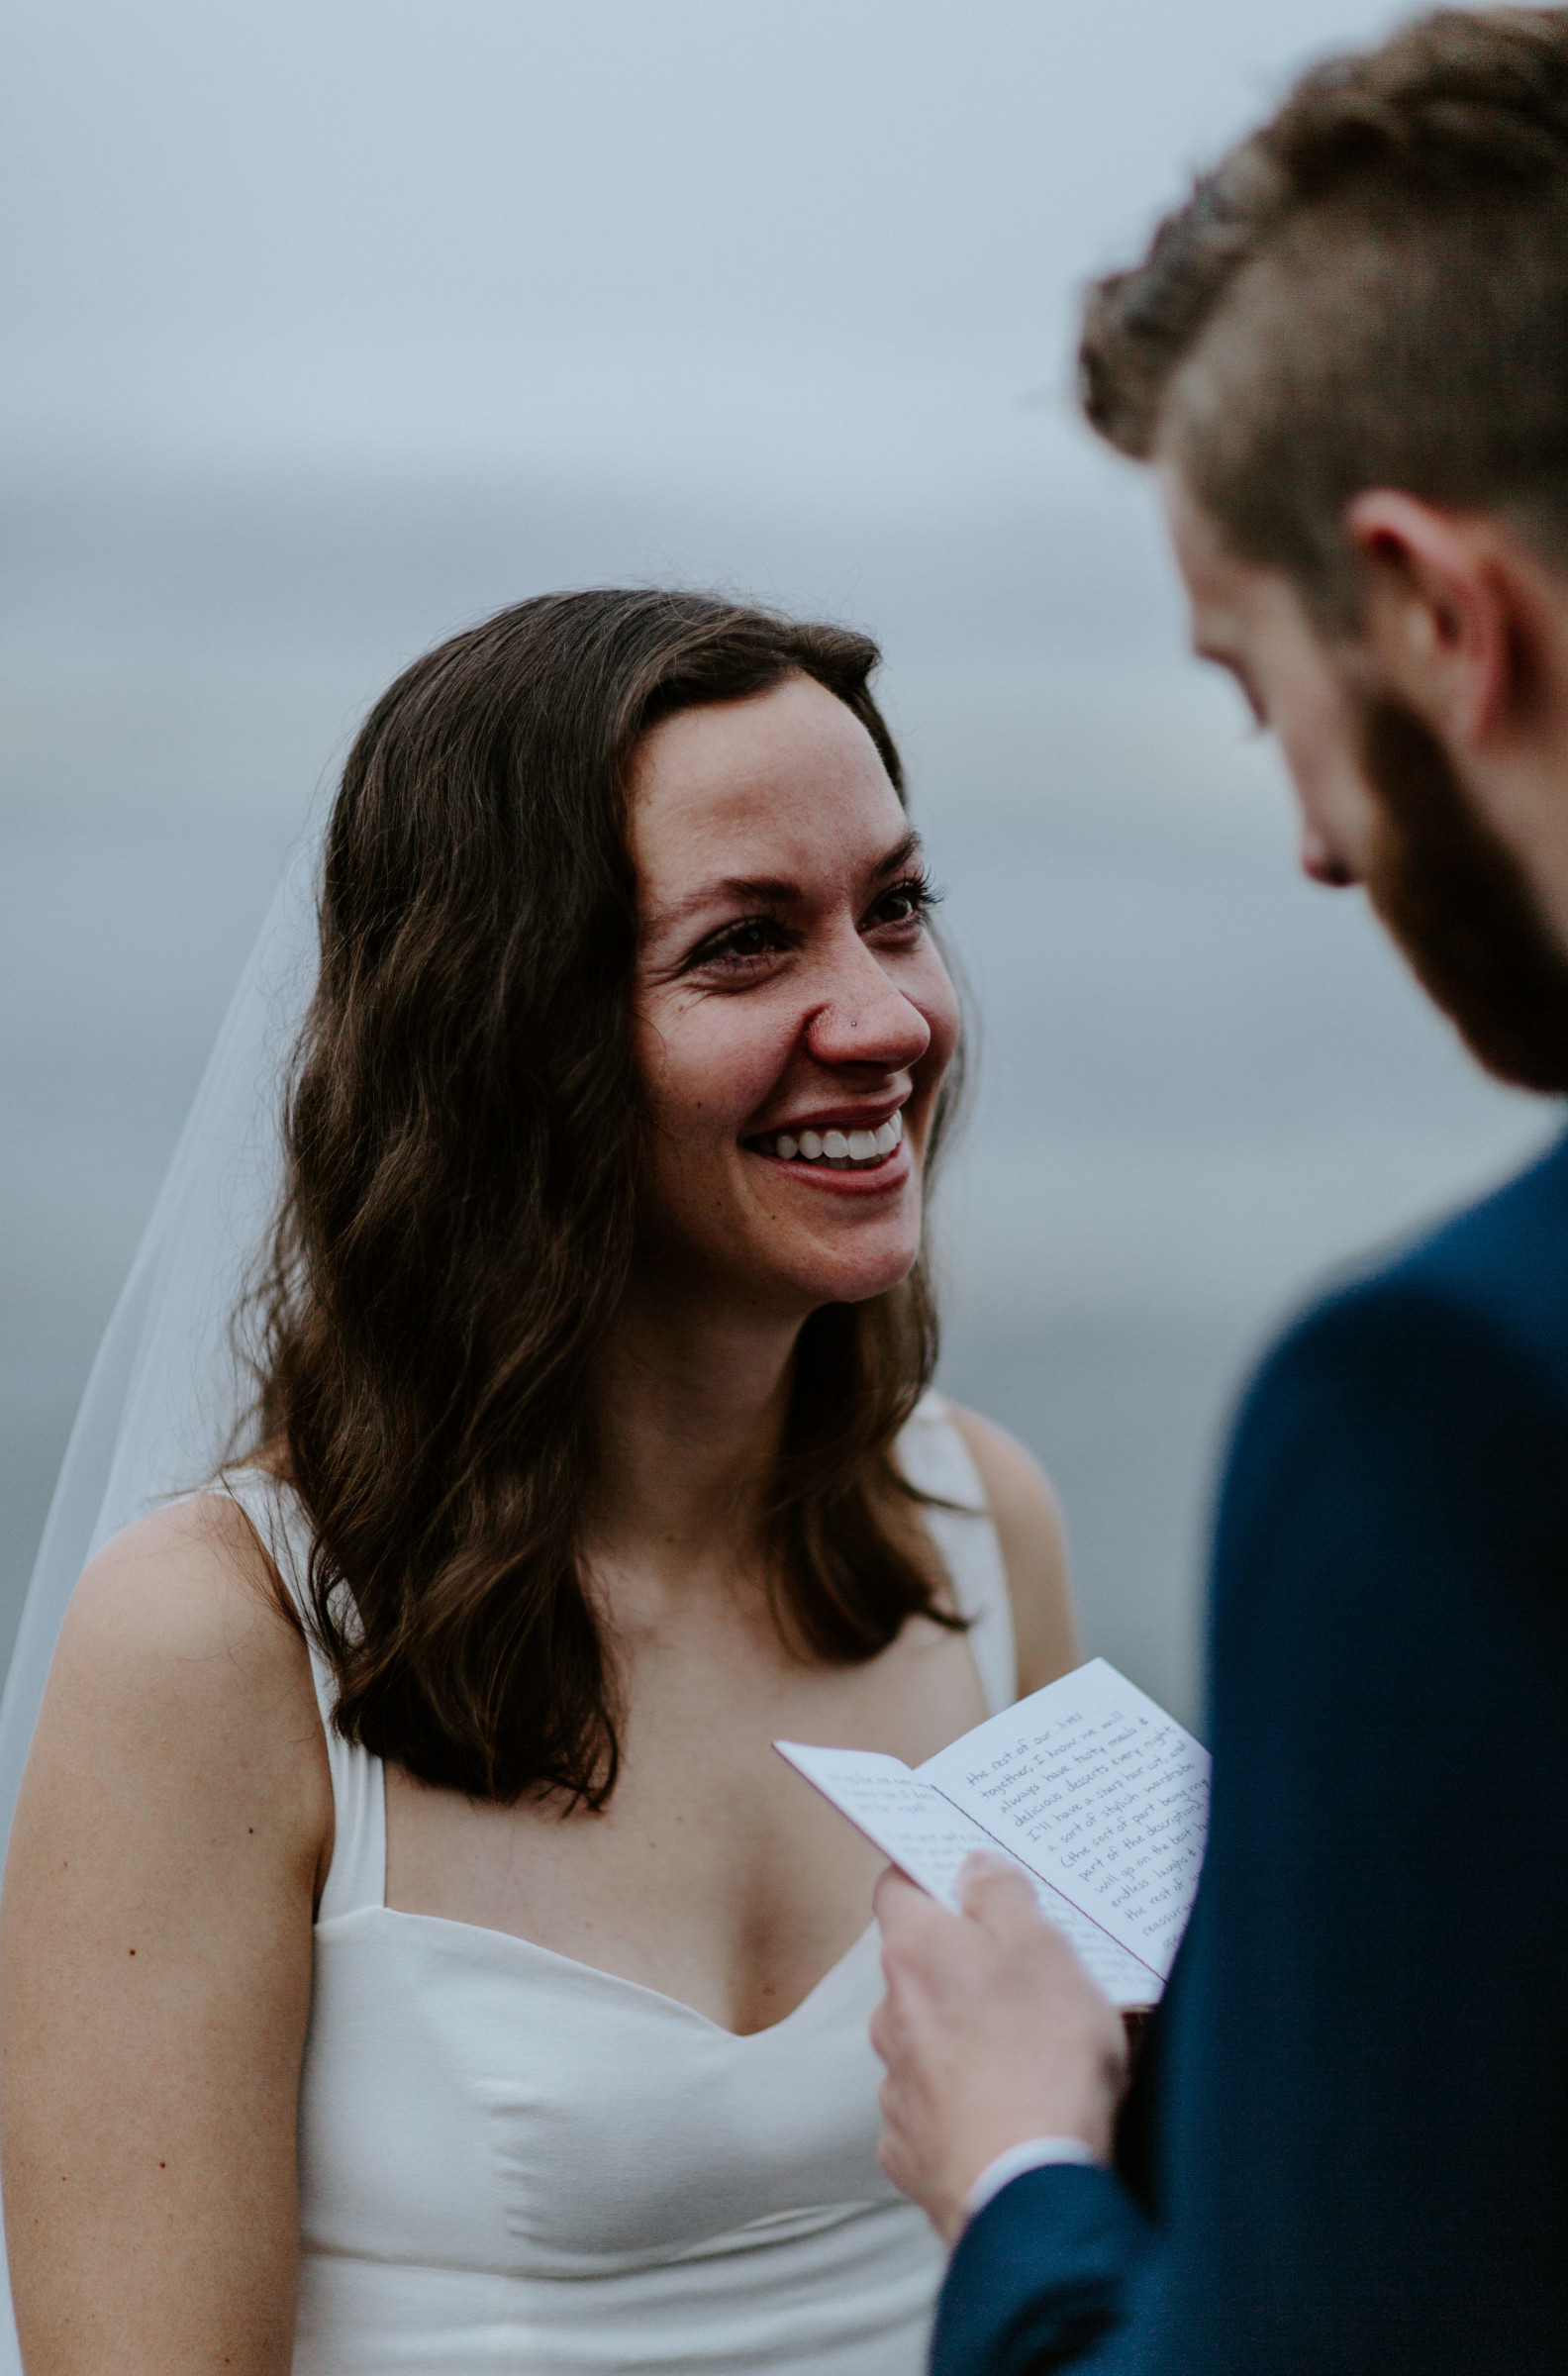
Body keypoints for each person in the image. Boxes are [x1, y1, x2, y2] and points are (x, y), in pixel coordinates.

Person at [0, 591, 1082, 2374]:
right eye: (747, 946)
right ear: (508, 1041)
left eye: (896, 908)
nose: (883, 1020)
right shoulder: (217, 1646)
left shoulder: (980, 1529)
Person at [870, 11, 1568, 2372]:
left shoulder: (1447, 1410)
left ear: (1433, 615)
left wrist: (1024, 2180)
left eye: (1258, 688)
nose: (1305, 836)